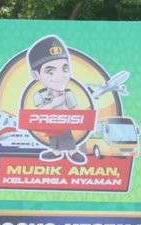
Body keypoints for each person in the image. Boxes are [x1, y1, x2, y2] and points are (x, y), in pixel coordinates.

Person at [29, 35, 86, 165]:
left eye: (65, 69)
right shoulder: (39, 95)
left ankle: (72, 151)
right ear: (36, 75)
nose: (61, 76)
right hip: (51, 122)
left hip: (66, 121)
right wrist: (54, 104)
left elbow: (76, 110)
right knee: (53, 135)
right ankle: (56, 151)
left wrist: (81, 118)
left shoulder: (68, 94)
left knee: (66, 134)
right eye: (51, 72)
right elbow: (40, 113)